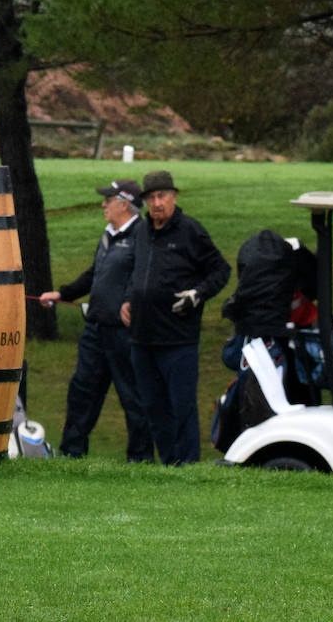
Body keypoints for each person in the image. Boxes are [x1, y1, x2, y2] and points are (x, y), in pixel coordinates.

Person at [119, 170, 230, 465]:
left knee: (181, 407)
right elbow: (136, 271)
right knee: (153, 407)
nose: (157, 203)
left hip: (178, 339)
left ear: (174, 197)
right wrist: (129, 299)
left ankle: (188, 466)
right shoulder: (142, 232)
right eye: (151, 198)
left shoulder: (190, 230)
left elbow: (221, 270)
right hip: (142, 338)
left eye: (162, 196)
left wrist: (198, 293)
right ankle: (169, 465)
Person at [38, 178, 153, 462]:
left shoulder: (142, 235)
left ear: (124, 204)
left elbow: (144, 278)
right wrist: (63, 293)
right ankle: (71, 454)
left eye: (109, 199)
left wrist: (130, 304)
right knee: (82, 393)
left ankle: (140, 460)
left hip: (124, 334)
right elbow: (95, 274)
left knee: (133, 397)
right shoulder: (108, 235)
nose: (103, 204)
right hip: (95, 331)